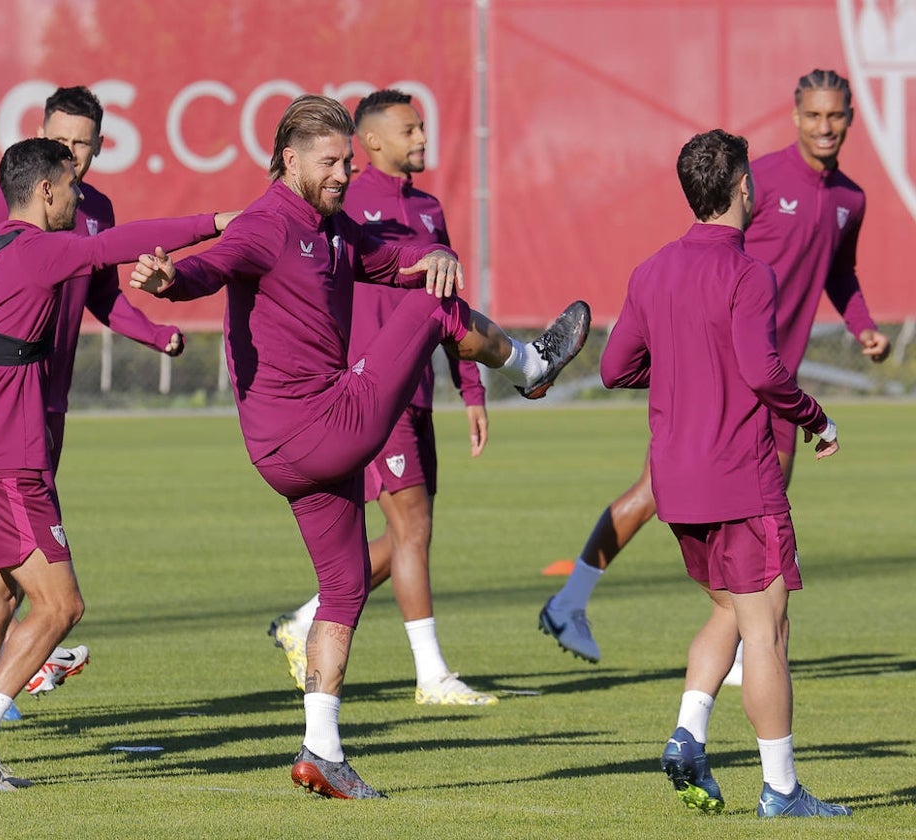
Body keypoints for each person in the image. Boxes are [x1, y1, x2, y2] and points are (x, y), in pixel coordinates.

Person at [129, 94, 591, 799]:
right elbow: (212, 267)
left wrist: (434, 250)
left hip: (285, 449)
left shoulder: (336, 229)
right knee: (434, 308)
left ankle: (321, 750)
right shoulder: (268, 223)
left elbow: (391, 253)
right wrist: (171, 279)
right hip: (319, 424)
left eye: (348, 159)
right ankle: (532, 366)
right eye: (331, 161)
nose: (345, 172)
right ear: (289, 160)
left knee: (343, 587)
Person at [540, 69, 891, 666]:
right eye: (813, 115)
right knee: (662, 494)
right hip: (733, 381)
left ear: (852, 116)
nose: (824, 126)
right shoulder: (758, 178)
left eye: (835, 115)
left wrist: (861, 327)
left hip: (773, 382)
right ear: (795, 115)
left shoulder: (850, 199)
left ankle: (738, 656)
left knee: (752, 526)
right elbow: (710, 256)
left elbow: (839, 271)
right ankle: (573, 600)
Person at [0, 137, 228, 791]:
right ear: (44, 192)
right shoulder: (39, 249)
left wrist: (151, 332)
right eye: (70, 187)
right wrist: (216, 224)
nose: (78, 197)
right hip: (3, 455)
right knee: (61, 605)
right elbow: (115, 248)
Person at [603, 127, 850, 818]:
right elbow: (764, 373)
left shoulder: (651, 269)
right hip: (739, 476)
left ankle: (689, 732)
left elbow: (614, 366)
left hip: (677, 485)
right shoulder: (748, 272)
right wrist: (816, 418)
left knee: (729, 610)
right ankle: (781, 789)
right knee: (767, 627)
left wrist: (683, 369)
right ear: (744, 187)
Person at [268, 89, 495, 706]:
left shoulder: (428, 207)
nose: (422, 138)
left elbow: (446, 299)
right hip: (368, 393)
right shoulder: (340, 205)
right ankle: (431, 675)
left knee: (410, 533)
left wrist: (469, 389)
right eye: (409, 130)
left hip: (418, 391)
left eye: (423, 127)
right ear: (369, 142)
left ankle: (306, 616)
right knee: (411, 531)